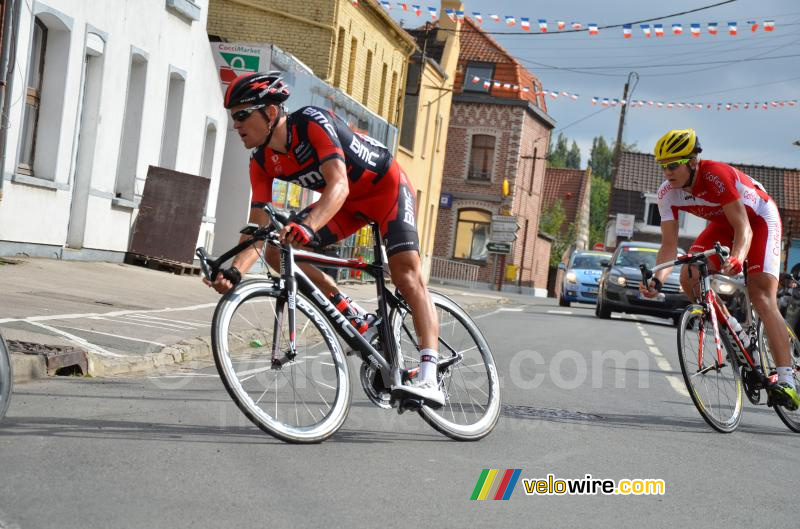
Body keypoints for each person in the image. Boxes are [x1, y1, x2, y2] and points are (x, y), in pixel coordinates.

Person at [202, 71, 444, 406]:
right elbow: (257, 227)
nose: (236, 125)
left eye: (242, 115)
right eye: (233, 117)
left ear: (270, 113)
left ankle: (430, 376)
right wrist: (234, 272)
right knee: (276, 251)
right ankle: (353, 312)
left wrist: (309, 226)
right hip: (349, 207)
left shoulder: (312, 123)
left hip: (386, 190)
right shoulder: (261, 162)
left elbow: (339, 185)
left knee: (405, 274)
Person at [639, 128, 800, 409]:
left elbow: (744, 229)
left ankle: (788, 379)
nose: (667, 171)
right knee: (689, 276)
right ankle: (737, 333)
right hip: (724, 227)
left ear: (692, 161)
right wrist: (657, 279)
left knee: (761, 295)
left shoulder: (715, 175)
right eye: (663, 166)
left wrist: (738, 257)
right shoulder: (667, 194)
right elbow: (668, 246)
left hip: (759, 220)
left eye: (673, 164)